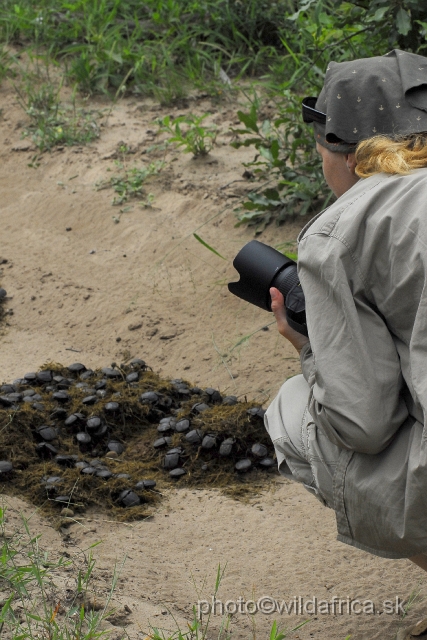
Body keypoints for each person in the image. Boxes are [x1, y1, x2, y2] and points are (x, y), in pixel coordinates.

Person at [264, 49, 427, 640]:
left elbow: (363, 424)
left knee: (293, 411)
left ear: (339, 152)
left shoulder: (344, 227)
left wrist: (310, 353)